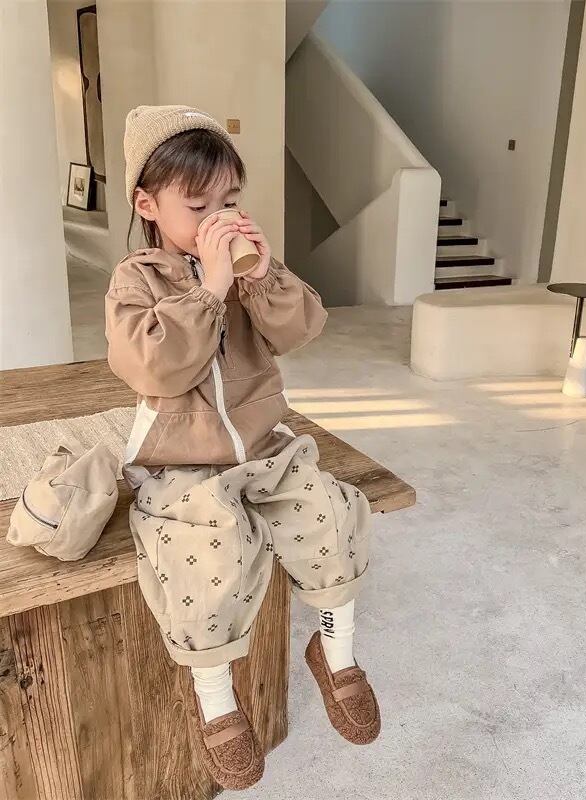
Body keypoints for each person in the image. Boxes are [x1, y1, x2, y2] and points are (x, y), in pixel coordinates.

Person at [104, 105, 379, 790]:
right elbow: (154, 369)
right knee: (209, 554)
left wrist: (258, 278)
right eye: (197, 206)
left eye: (229, 200)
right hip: (180, 455)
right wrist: (209, 290)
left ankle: (337, 653)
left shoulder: (250, 270)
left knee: (331, 513)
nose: (218, 218)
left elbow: (301, 328)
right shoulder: (136, 280)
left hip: (262, 443)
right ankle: (216, 700)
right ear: (147, 204)